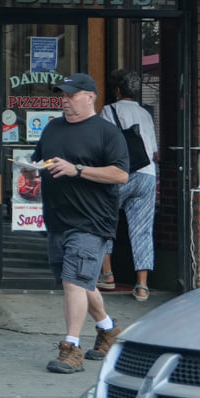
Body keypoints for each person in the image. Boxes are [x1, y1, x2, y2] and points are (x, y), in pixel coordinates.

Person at [31, 72, 128, 374]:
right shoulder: (52, 128)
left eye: (71, 96)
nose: (65, 101)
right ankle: (108, 329)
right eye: (62, 96)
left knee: (73, 281)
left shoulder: (107, 132)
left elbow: (121, 174)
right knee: (78, 280)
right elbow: (40, 160)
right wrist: (32, 169)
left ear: (90, 97)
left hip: (91, 220)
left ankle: (71, 349)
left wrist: (78, 170)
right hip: (57, 219)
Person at [99, 68, 158, 300]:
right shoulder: (146, 113)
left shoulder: (109, 111)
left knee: (104, 220)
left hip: (119, 173)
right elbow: (153, 150)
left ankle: (107, 276)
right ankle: (142, 285)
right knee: (142, 229)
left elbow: (103, 146)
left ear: (116, 89)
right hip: (147, 174)